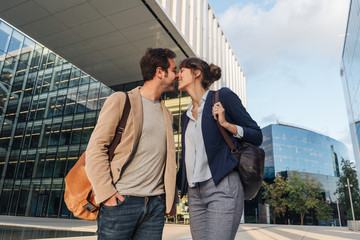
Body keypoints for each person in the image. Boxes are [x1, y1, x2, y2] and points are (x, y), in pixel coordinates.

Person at [85, 48, 178, 240]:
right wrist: (107, 193)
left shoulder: (167, 114)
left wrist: (169, 200)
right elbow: (96, 148)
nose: (177, 75)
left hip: (155, 206)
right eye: (174, 69)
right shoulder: (121, 100)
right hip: (121, 201)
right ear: (160, 72)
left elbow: (168, 162)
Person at [176, 57, 262, 240]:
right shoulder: (185, 116)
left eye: (181, 70)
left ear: (196, 72)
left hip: (222, 186)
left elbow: (256, 135)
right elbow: (188, 158)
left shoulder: (222, 97)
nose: (177, 75)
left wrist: (226, 124)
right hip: (194, 193)